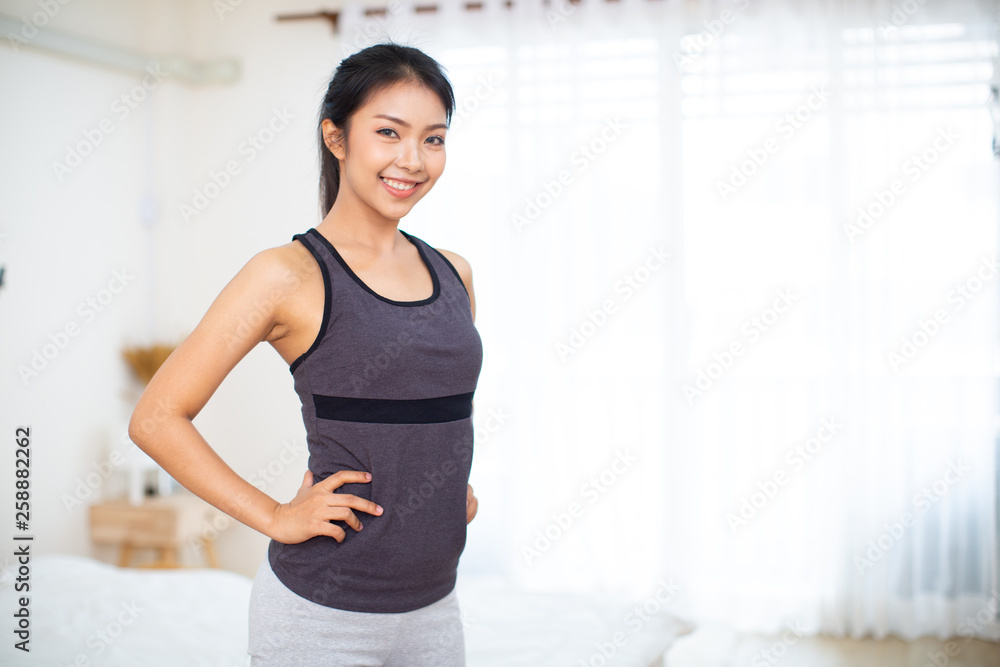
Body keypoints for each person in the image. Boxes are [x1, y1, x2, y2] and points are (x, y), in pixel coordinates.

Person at [129, 41, 483, 666]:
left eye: (434, 138)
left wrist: (449, 483)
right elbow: (156, 417)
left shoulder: (455, 272)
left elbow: (431, 408)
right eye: (388, 133)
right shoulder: (285, 275)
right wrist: (275, 516)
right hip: (322, 618)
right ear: (336, 138)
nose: (413, 159)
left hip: (435, 608)